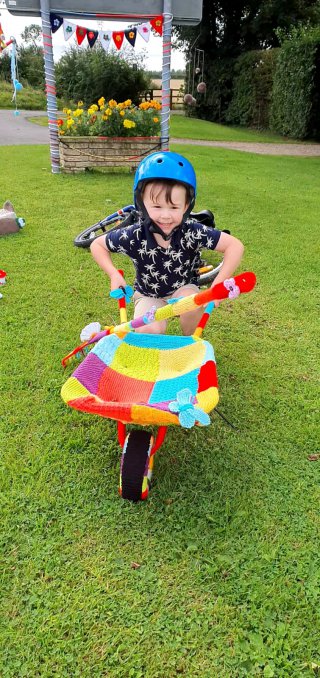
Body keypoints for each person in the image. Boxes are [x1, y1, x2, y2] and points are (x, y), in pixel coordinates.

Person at [90, 151, 244, 335]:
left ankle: (189, 345)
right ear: (141, 203)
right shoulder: (134, 234)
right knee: (149, 329)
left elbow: (235, 246)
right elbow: (97, 245)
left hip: (183, 290)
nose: (165, 215)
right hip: (148, 294)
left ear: (187, 206)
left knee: (193, 305)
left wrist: (218, 284)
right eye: (157, 206)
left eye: (174, 207)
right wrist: (114, 274)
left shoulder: (192, 231)